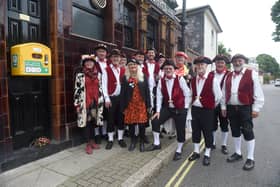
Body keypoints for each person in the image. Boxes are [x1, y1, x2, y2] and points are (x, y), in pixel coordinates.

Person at [221, 54, 264, 171]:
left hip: (245, 107)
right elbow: (224, 93)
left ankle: (250, 158)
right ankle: (238, 153)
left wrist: (256, 108)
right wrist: (223, 106)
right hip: (231, 107)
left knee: (247, 130)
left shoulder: (251, 73)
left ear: (243, 62)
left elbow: (258, 92)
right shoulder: (228, 75)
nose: (237, 63)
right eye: (235, 61)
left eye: (239, 61)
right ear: (232, 63)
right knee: (234, 130)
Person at [147, 60, 191, 161]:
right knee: (155, 121)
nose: (168, 70)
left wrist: (185, 107)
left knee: (180, 129)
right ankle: (157, 143)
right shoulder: (161, 81)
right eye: (166, 68)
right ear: (163, 70)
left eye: (170, 68)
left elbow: (187, 93)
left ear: (174, 70)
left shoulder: (180, 79)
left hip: (179, 108)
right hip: (168, 108)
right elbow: (159, 96)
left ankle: (179, 149)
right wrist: (157, 111)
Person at [188, 56, 222, 166]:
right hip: (195, 109)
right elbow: (191, 94)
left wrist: (209, 105)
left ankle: (207, 153)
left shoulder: (213, 79)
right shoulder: (193, 80)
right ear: (195, 67)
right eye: (197, 65)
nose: (199, 66)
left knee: (208, 131)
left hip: (207, 110)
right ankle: (196, 151)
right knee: (196, 130)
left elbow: (218, 97)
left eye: (202, 64)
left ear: (206, 66)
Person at [74, 54, 104, 154]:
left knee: (93, 122)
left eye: (91, 62)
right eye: (87, 62)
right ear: (84, 64)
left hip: (95, 102)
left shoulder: (98, 74)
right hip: (85, 102)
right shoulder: (80, 75)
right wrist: (77, 104)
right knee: (86, 123)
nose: (89, 63)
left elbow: (101, 88)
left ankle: (92, 141)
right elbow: (77, 90)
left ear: (94, 63)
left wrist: (101, 100)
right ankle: (87, 144)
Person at [120, 58, 151, 152]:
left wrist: (149, 105)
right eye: (130, 65)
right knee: (131, 125)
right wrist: (123, 107)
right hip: (130, 105)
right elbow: (122, 94)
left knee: (142, 125)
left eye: (134, 65)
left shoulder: (143, 76)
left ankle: (141, 141)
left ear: (137, 66)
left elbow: (147, 92)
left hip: (141, 104)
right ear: (128, 67)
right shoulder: (125, 78)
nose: (132, 66)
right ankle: (133, 141)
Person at [102, 49, 127, 149]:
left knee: (121, 119)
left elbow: (127, 83)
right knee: (110, 119)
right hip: (111, 98)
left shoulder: (124, 70)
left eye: (117, 57)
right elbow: (103, 85)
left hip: (121, 98)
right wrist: (106, 98)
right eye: (114, 57)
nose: (116, 58)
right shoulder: (106, 69)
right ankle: (110, 139)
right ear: (110, 58)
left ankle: (120, 138)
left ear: (120, 58)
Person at [211, 55, 231, 154]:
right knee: (212, 124)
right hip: (212, 104)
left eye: (222, 62)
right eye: (218, 62)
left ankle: (224, 145)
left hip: (224, 104)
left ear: (225, 64)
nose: (219, 64)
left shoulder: (229, 74)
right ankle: (213, 143)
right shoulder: (210, 74)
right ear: (215, 63)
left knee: (224, 124)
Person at [94, 43, 109, 144]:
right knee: (96, 113)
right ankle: (96, 134)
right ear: (96, 52)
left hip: (107, 90)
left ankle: (104, 132)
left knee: (105, 113)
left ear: (106, 53)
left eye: (103, 51)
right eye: (100, 51)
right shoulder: (92, 62)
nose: (101, 53)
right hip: (96, 91)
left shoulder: (109, 63)